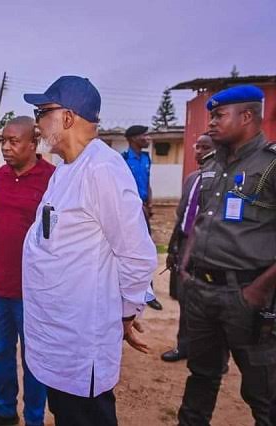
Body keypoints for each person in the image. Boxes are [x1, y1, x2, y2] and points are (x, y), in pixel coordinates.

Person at [21, 76, 157, 426]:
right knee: (66, 415)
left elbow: (136, 254)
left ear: (67, 117)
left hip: (82, 338)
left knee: (85, 418)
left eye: (42, 112)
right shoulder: (66, 168)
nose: (37, 122)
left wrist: (124, 313)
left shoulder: (102, 170)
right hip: (60, 331)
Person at [178, 85, 276, 425]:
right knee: (201, 376)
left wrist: (259, 289)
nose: (210, 124)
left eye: (219, 116)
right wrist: (186, 269)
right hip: (202, 291)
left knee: (264, 392)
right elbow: (201, 220)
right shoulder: (212, 165)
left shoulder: (270, 165)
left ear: (247, 116)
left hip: (246, 296)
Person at [0, 116, 52, 426]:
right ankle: (5, 411)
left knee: (34, 360)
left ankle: (34, 419)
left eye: (13, 141)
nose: (5, 147)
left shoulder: (53, 178)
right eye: (3, 141)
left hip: (33, 291)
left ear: (33, 144)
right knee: (0, 353)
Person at [161, 134, 215, 363]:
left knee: (204, 299)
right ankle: (184, 346)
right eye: (198, 146)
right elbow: (182, 217)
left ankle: (206, 350)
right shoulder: (191, 179)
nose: (200, 151)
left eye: (206, 147)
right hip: (184, 243)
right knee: (183, 297)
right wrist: (173, 247)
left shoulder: (220, 179)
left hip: (206, 247)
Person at [123, 125, 164, 311]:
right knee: (129, 252)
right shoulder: (122, 159)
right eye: (144, 135)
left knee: (146, 251)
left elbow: (147, 183)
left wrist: (150, 204)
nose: (147, 138)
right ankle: (128, 292)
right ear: (132, 138)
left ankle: (148, 293)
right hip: (129, 212)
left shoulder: (147, 158)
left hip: (144, 210)